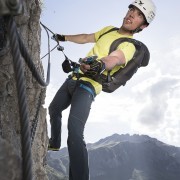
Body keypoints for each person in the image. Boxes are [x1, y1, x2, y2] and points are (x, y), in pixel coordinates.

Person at [48, 0, 156, 179]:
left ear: (143, 26)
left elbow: (115, 58)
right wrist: (63, 37)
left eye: (138, 15)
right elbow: (85, 37)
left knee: (75, 131)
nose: (131, 14)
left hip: (88, 87)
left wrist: (100, 63)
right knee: (54, 109)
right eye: (132, 9)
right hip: (73, 78)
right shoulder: (108, 30)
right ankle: (54, 142)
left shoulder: (129, 45)